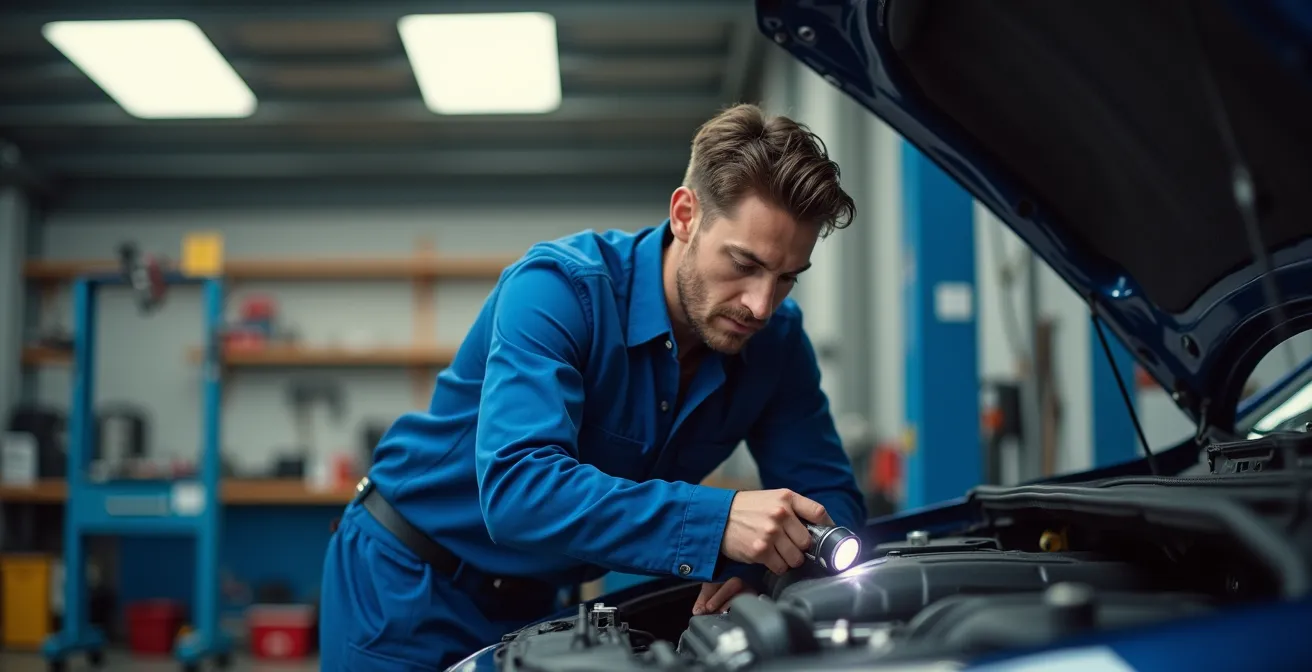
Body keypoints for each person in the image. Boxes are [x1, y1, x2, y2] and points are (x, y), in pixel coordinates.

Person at [318, 103, 867, 671]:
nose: (760, 304)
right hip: (408, 581)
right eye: (744, 264)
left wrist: (761, 574)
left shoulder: (775, 341)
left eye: (785, 279)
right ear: (685, 215)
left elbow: (830, 501)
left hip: (542, 605)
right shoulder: (557, 291)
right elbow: (517, 489)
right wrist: (718, 521)